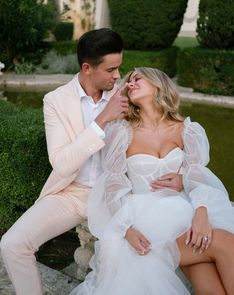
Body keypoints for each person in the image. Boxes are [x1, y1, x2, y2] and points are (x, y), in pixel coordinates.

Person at [0, 30, 181, 295]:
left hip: (117, 196)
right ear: (87, 68)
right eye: (111, 70)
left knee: (143, 256)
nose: (118, 76)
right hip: (70, 193)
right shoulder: (56, 101)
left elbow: (168, 130)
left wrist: (183, 175)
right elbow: (61, 163)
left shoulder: (128, 96)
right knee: (12, 244)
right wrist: (102, 121)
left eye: (119, 67)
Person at [70, 67, 234, 295]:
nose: (131, 82)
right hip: (148, 224)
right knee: (228, 243)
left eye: (138, 78)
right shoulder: (122, 133)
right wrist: (126, 228)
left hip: (185, 212)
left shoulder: (187, 129)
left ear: (158, 84)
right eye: (129, 81)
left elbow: (198, 175)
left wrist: (200, 209)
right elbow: (113, 186)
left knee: (210, 281)